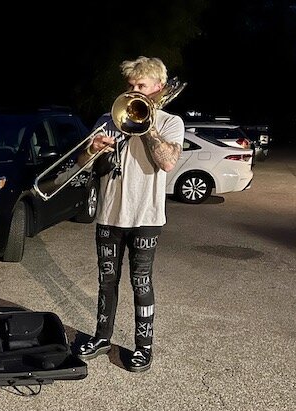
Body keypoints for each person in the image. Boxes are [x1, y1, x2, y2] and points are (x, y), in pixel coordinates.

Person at [75, 56, 184, 372]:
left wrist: (146, 126)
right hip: (110, 215)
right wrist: (93, 148)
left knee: (141, 282)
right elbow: (82, 163)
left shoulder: (169, 122)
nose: (134, 91)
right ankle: (101, 338)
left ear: (158, 89)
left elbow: (167, 162)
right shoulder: (108, 119)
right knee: (106, 281)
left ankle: (143, 347)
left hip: (146, 218)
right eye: (131, 85)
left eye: (141, 86)